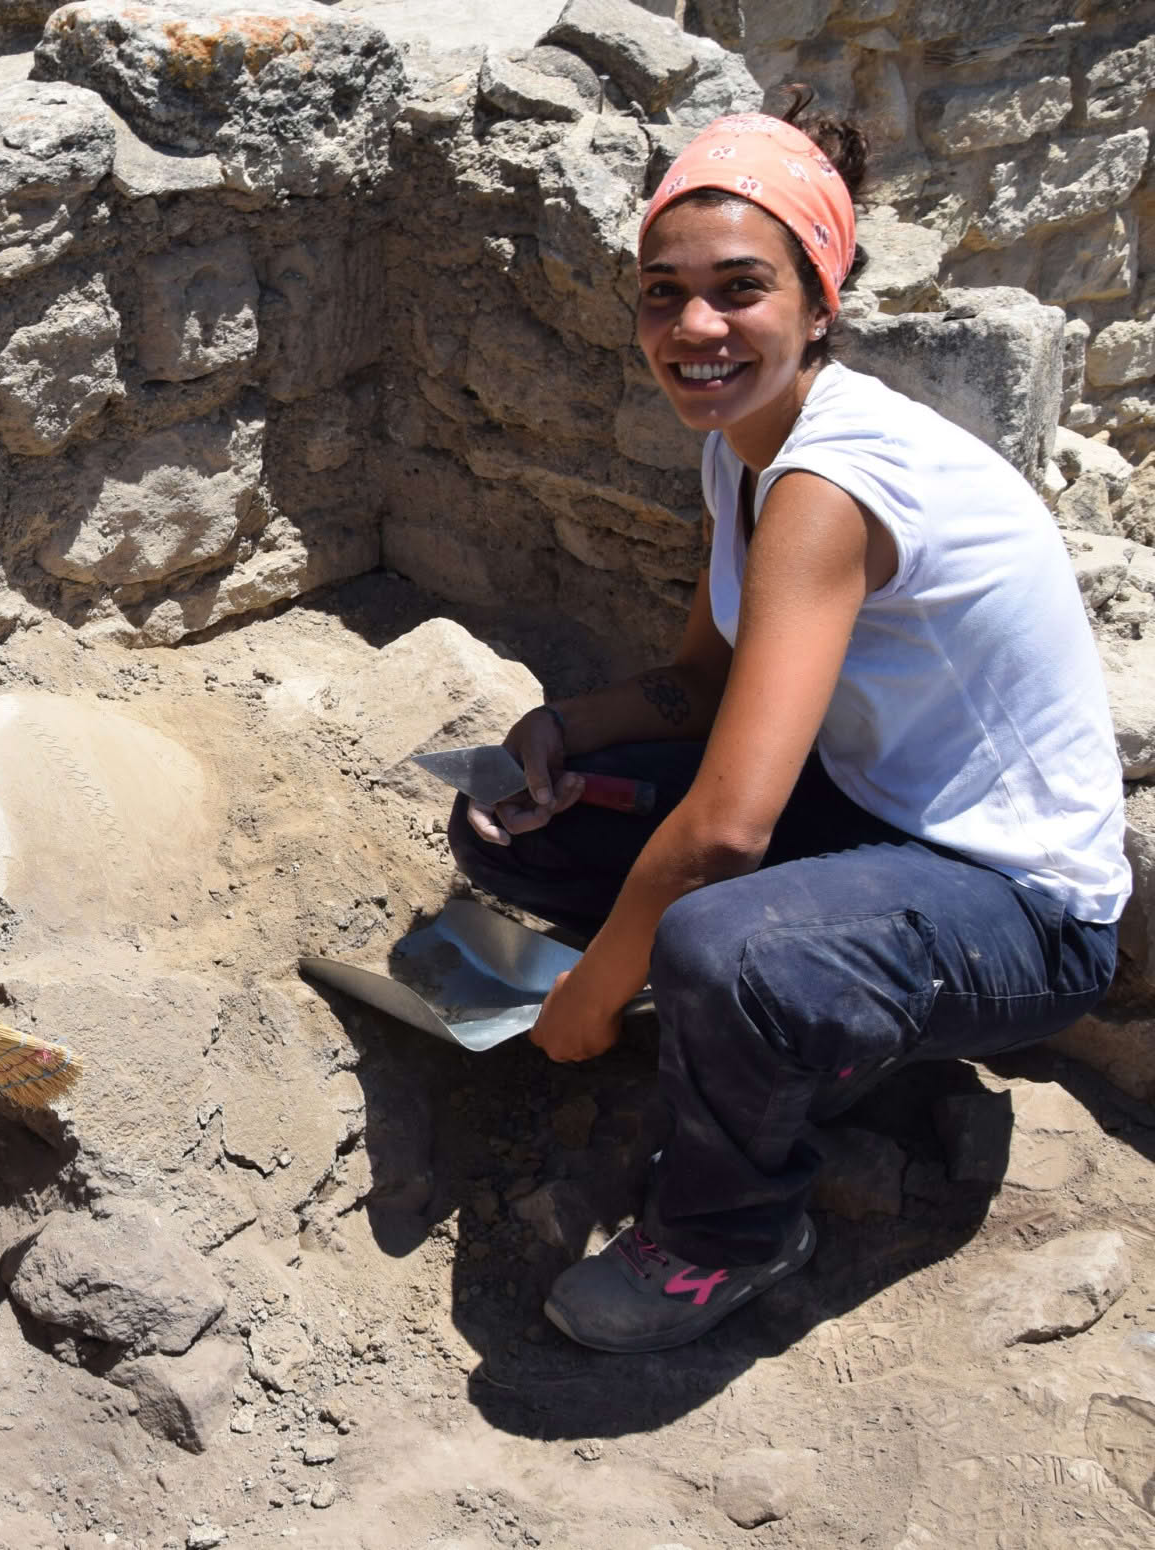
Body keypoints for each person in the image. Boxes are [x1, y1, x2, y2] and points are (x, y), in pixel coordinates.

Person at [447, 106, 1128, 1354]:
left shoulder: (828, 479)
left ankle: (727, 1233)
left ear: (818, 303)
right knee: (509, 817)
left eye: (737, 290)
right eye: (664, 294)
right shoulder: (743, 448)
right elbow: (703, 685)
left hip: (1019, 907)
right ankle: (772, 1036)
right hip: (873, 820)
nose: (694, 330)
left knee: (718, 942)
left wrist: (593, 996)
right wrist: (562, 726)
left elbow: (723, 833)